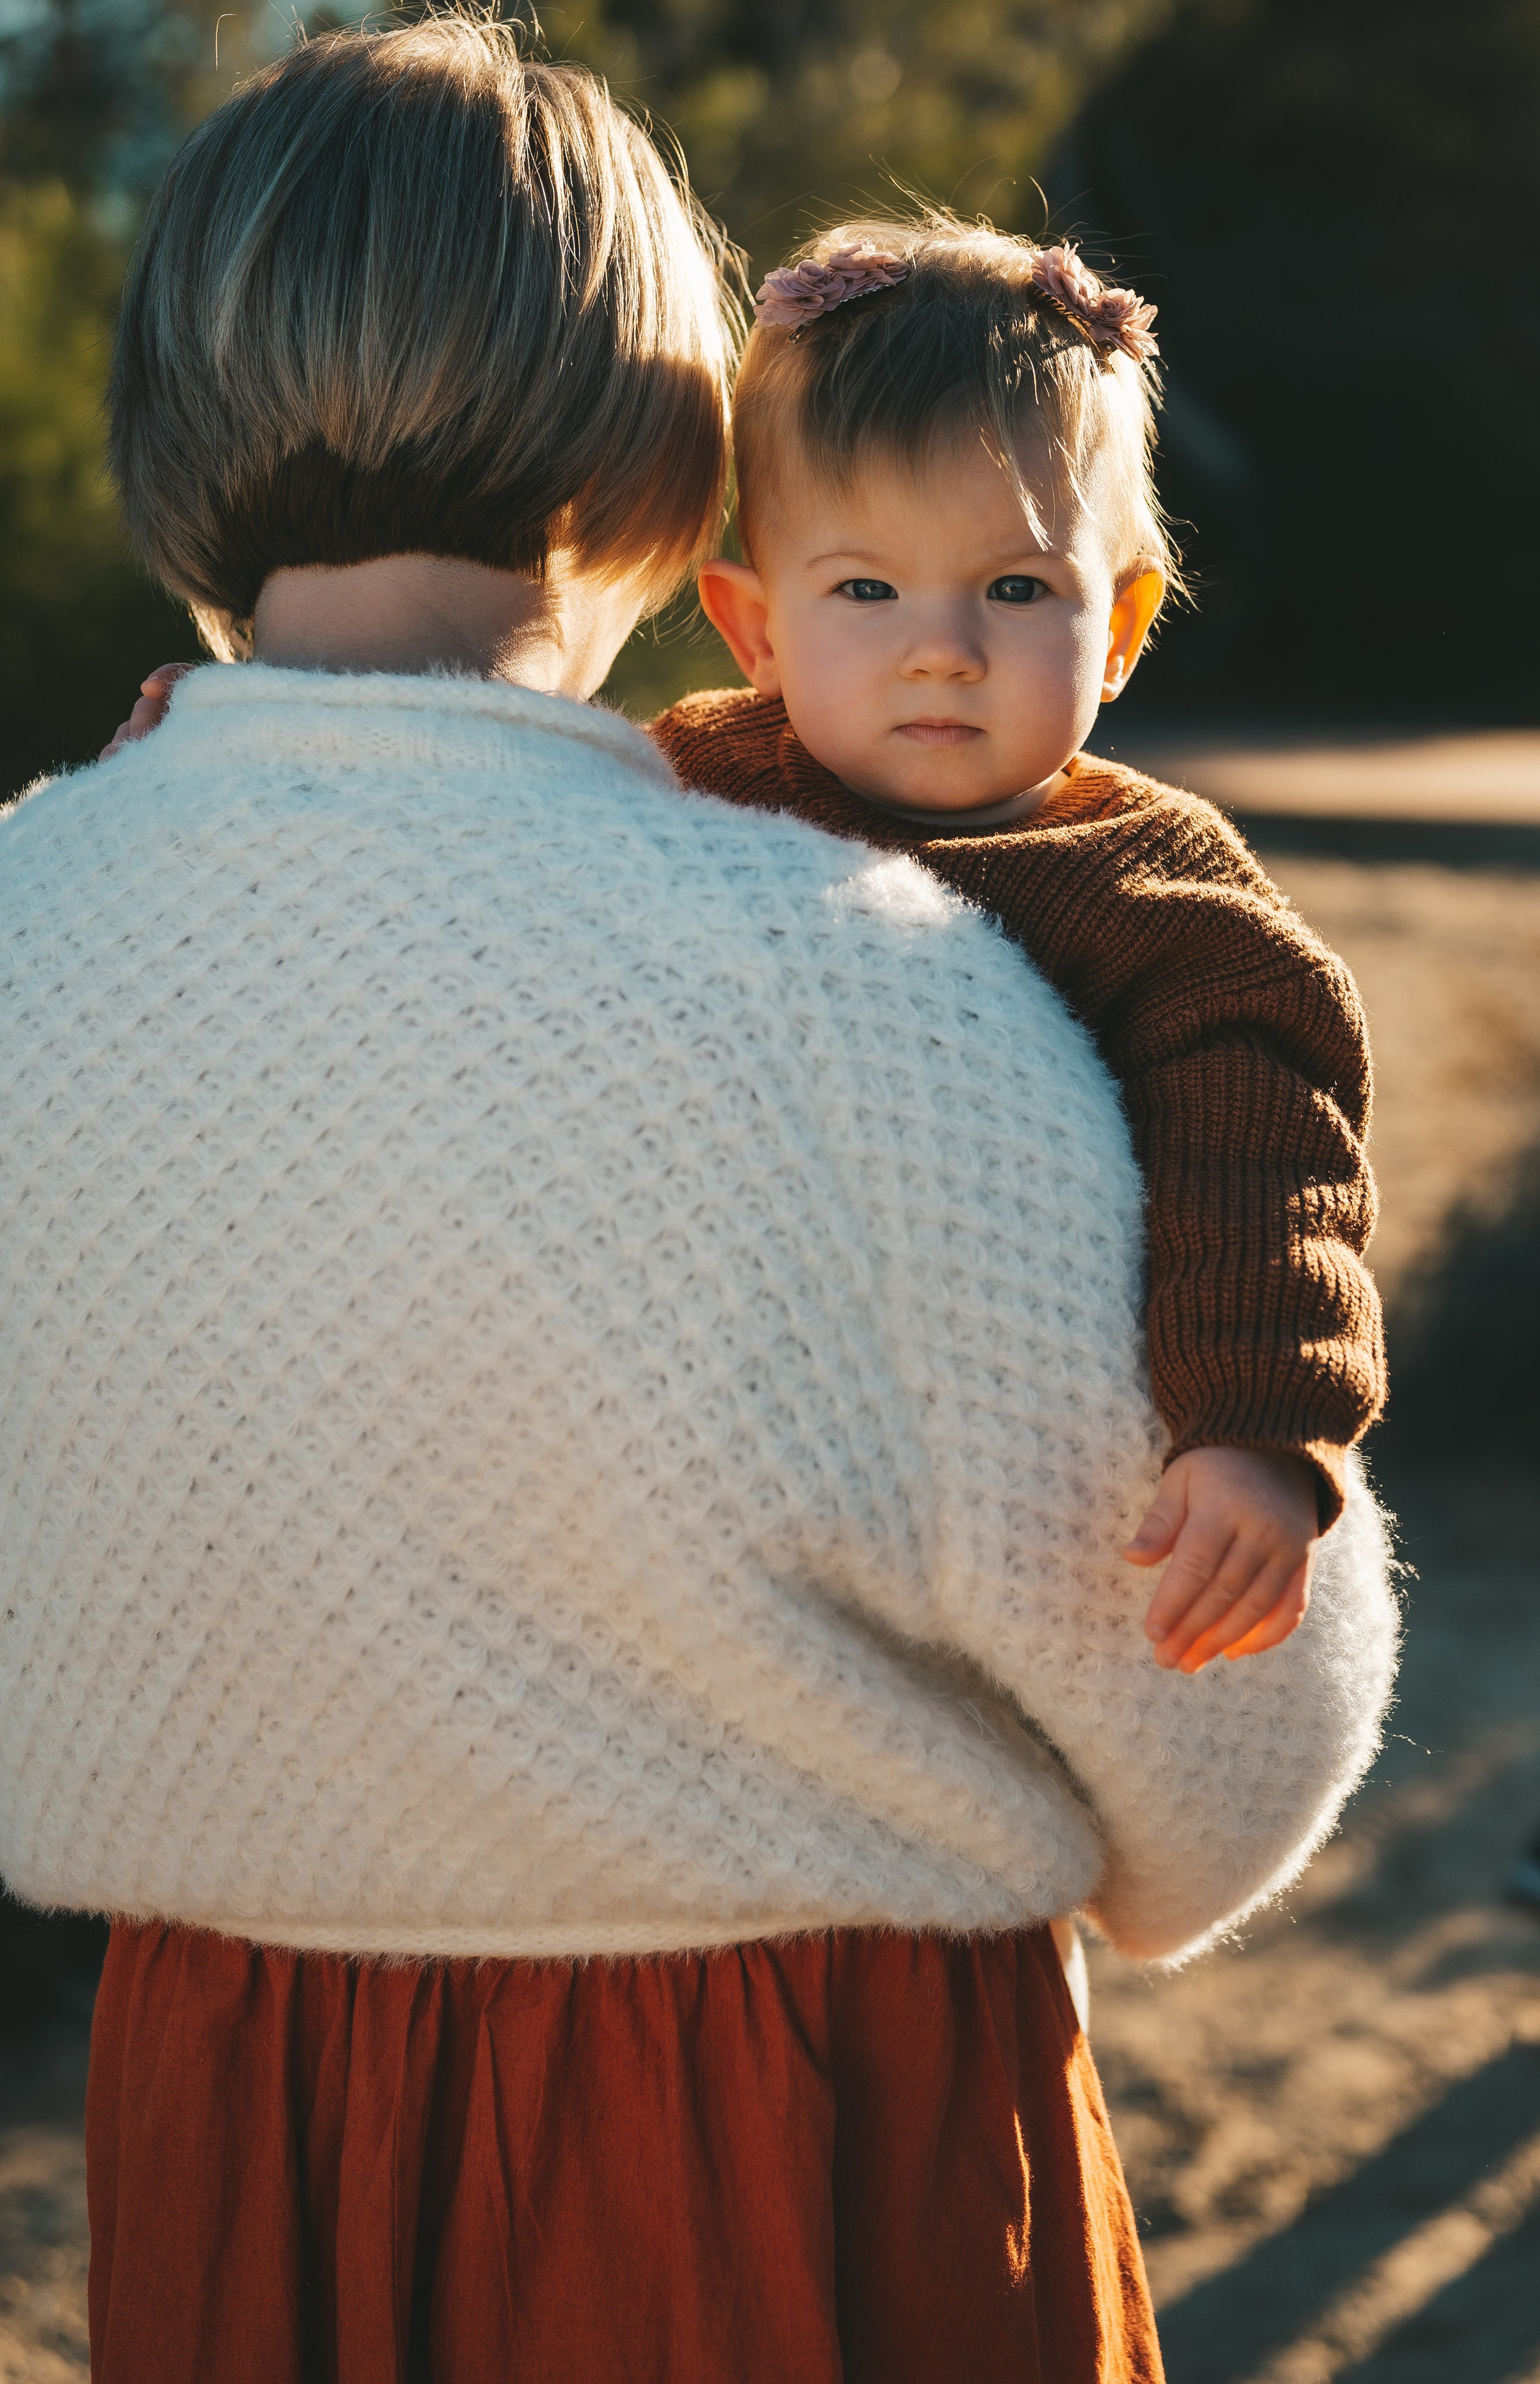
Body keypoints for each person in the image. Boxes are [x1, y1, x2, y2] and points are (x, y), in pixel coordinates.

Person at [1, 24, 1399, 2382]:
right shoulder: (859, 983)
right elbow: (1234, 1725)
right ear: (670, 451)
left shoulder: (29, 913)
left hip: (224, 2119)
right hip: (809, 2127)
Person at [651, 214, 1386, 1676]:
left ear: (1115, 628)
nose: (941, 647)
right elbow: (492, 841)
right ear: (752, 628)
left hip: (1022, 1503)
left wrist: (1253, 1425)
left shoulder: (1150, 889)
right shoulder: (691, 784)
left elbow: (1265, 1152)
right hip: (721, 1458)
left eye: (1011, 588)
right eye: (863, 589)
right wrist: (238, 736)